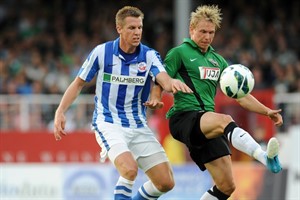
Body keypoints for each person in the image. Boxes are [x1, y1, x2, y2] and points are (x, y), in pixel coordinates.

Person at [53, 6, 193, 200]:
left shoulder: (149, 55)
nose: (137, 32)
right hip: (109, 122)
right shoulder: (102, 53)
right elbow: (78, 84)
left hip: (138, 125)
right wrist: (60, 111)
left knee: (165, 182)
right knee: (129, 170)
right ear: (119, 28)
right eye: (132, 28)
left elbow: (163, 79)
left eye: (140, 28)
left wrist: (172, 83)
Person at [162, 5, 283, 200]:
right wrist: (155, 96)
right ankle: (264, 157)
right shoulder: (179, 53)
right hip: (184, 117)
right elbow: (161, 78)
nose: (207, 36)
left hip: (206, 124)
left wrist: (267, 111)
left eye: (211, 32)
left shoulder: (218, 61)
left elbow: (241, 96)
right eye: (202, 31)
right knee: (225, 120)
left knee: (227, 186)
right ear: (191, 29)